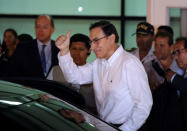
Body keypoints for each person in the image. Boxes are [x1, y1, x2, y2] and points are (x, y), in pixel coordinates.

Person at [55, 20, 153, 131]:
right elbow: (74, 76)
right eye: (91, 41)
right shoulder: (98, 63)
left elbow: (144, 105)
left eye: (96, 41)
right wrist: (64, 51)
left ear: (111, 38)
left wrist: (124, 129)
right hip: (104, 126)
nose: (92, 47)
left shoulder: (129, 63)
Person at [48, 33, 96, 114]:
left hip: (89, 119)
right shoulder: (55, 70)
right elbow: (46, 93)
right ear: (68, 49)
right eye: (73, 49)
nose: (77, 53)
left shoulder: (94, 71)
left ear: (89, 51)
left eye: (81, 49)